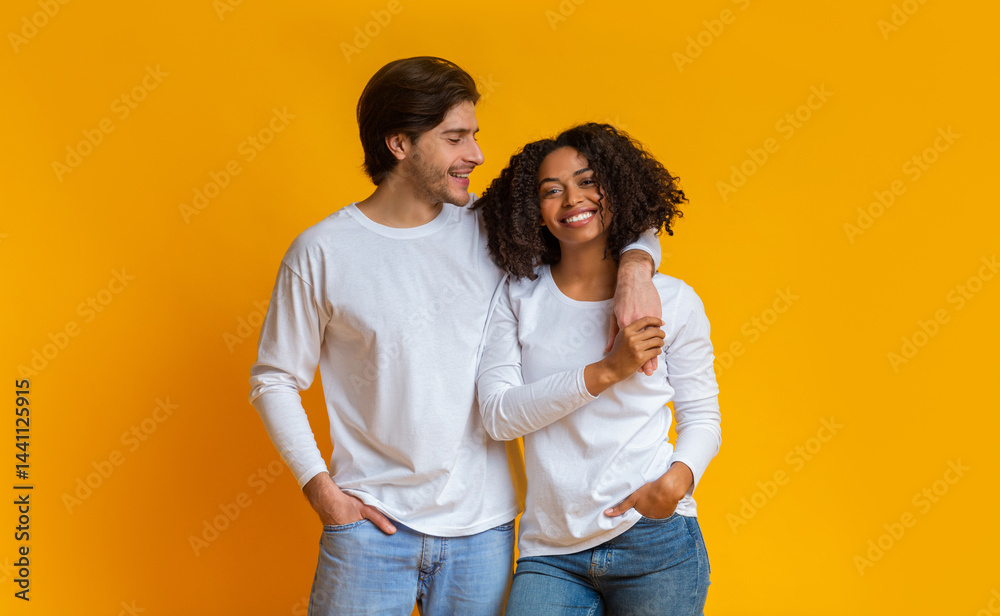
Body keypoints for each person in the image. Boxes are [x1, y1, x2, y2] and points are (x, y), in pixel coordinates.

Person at [247, 58, 663, 616]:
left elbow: (608, 213)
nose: (477, 154)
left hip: (483, 532)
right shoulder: (321, 253)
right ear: (399, 144)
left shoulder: (494, 229)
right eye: (455, 137)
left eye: (474, 134)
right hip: (369, 526)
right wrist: (321, 490)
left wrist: (636, 266)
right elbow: (274, 379)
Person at [474, 123, 721, 615]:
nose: (572, 199)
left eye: (588, 181)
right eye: (552, 190)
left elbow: (703, 416)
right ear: (534, 211)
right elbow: (498, 416)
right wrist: (606, 371)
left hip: (654, 541)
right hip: (551, 551)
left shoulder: (672, 299)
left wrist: (676, 483)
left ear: (617, 189)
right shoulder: (519, 296)